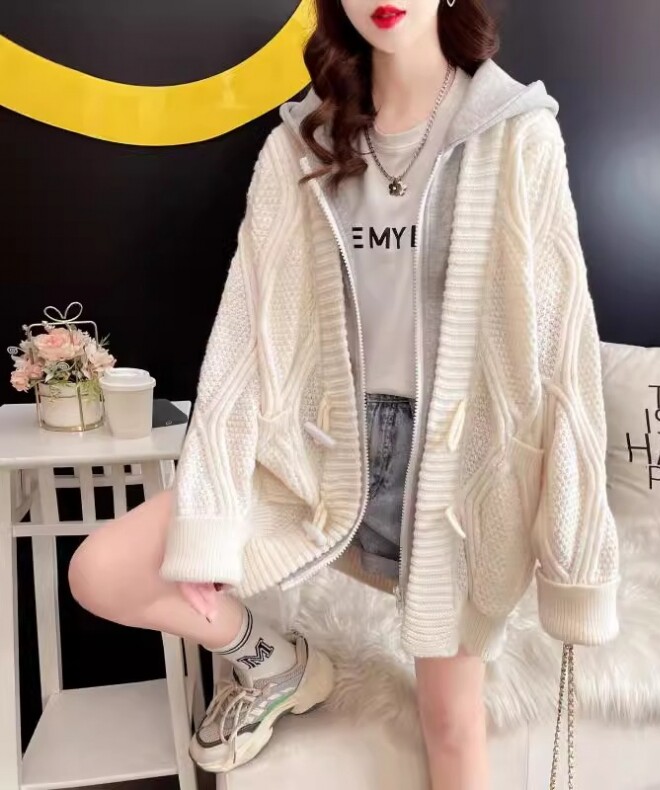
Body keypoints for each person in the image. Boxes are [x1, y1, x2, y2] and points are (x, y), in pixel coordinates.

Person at [67, 1, 621, 788]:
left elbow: (563, 348)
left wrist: (574, 551)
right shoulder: (299, 144)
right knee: (101, 571)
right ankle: (278, 665)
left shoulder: (516, 134)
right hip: (317, 454)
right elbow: (245, 335)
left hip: (453, 480)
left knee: (452, 728)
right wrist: (212, 509)